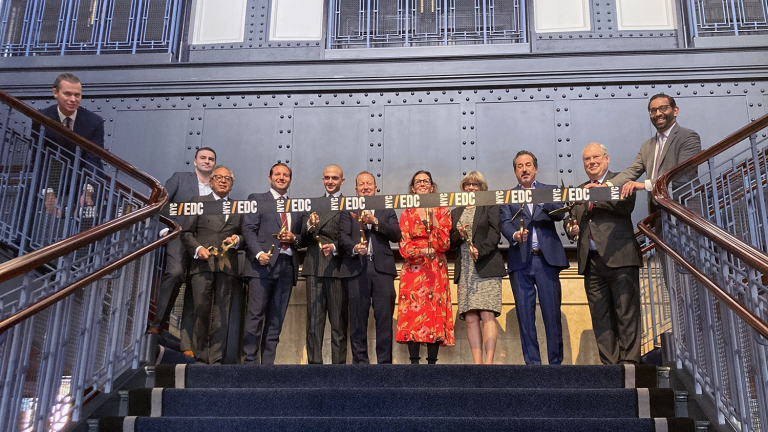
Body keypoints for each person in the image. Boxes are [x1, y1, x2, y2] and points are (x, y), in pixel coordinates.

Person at [566, 143, 642, 365]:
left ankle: (629, 365)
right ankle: (609, 366)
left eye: (596, 157)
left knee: (626, 313)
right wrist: (570, 228)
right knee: (600, 317)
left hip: (620, 258)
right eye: (587, 159)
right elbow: (571, 218)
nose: (592, 162)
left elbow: (625, 206)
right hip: (590, 262)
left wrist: (597, 195)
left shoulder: (621, 181)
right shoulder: (580, 189)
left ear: (607, 159)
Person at [500, 151, 569, 365]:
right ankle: (533, 365)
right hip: (521, 260)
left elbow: (560, 213)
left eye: (528, 164)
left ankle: (555, 365)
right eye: (520, 166)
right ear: (515, 171)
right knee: (525, 316)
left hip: (547, 261)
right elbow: (504, 222)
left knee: (551, 314)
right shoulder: (508, 195)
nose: (524, 169)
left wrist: (539, 200)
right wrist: (514, 235)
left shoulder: (549, 191)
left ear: (535, 168)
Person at [149, 147, 217, 358]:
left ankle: (186, 343)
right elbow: (160, 204)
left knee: (194, 291)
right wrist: (164, 230)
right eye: (203, 158)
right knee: (176, 273)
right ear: (195, 161)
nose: (207, 161)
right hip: (178, 236)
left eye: (211, 159)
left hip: (201, 243)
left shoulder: (215, 187)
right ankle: (157, 325)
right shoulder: (179, 178)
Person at [180, 166, 243, 364]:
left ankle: (216, 359)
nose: (223, 181)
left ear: (232, 184)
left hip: (227, 267)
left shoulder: (238, 207)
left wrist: (238, 239)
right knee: (200, 309)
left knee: (222, 314)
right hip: (202, 265)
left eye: (227, 179)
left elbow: (245, 234)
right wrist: (198, 249)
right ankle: (200, 356)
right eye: (219, 178)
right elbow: (186, 232)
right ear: (211, 181)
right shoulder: (198, 202)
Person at [241, 163, 303, 365]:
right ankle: (250, 363)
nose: (282, 177)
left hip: (287, 265)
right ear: (270, 178)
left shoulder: (296, 206)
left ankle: (268, 365)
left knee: (276, 320)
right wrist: (258, 253)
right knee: (255, 316)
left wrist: (295, 238)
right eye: (278, 174)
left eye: (286, 175)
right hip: (262, 265)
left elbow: (302, 236)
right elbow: (248, 229)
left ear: (290, 180)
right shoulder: (256, 199)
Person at [339, 171, 401, 364]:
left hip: (382, 270)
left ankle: (384, 367)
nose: (365, 187)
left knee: (384, 321)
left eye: (369, 184)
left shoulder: (386, 208)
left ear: (375, 188)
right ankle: (360, 367)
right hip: (357, 269)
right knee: (357, 321)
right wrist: (354, 247)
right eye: (361, 184)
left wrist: (375, 222)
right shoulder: (347, 209)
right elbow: (342, 237)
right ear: (356, 189)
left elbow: (396, 235)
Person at [396, 170, 454, 364]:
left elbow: (444, 243)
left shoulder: (442, 210)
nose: (422, 184)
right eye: (418, 181)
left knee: (433, 312)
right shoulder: (406, 212)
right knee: (413, 314)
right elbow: (404, 245)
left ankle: (432, 363)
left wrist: (434, 218)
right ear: (412, 188)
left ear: (432, 186)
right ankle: (414, 362)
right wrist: (421, 251)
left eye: (426, 181)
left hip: (436, 268)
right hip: (413, 269)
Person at [605, 94, 702, 211]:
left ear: (675, 110)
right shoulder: (647, 146)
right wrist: (605, 186)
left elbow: (683, 174)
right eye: (653, 110)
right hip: (658, 212)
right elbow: (631, 171)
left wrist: (644, 185)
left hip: (685, 210)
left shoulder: (688, 137)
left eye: (663, 108)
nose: (658, 114)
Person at [449, 171, 506, 364]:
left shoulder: (489, 205)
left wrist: (480, 251)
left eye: (475, 185)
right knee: (471, 317)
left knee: (487, 313)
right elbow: (451, 242)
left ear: (482, 188)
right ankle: (477, 364)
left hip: (486, 264)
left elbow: (495, 234)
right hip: (465, 269)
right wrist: (458, 233)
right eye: (467, 185)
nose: (471, 188)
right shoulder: (456, 211)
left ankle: (489, 363)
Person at [300, 164, 348, 364]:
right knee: (313, 323)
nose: (330, 181)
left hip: (337, 267)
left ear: (342, 181)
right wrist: (309, 226)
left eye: (334, 178)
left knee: (338, 324)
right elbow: (301, 241)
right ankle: (314, 368)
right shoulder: (312, 204)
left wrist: (335, 247)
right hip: (314, 267)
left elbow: (351, 237)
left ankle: (339, 369)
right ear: (322, 180)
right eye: (327, 178)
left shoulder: (349, 204)